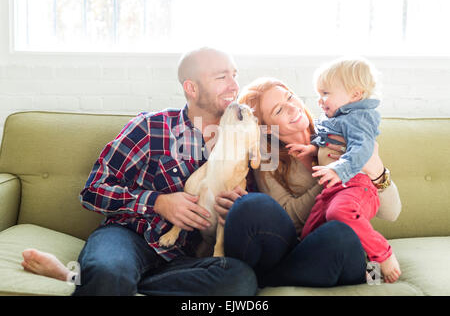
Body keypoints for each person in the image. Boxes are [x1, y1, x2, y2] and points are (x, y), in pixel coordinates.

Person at [22, 47, 258, 296]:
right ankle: (106, 277)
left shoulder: (245, 136)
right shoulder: (150, 127)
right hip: (129, 237)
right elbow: (92, 190)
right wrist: (157, 202)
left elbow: (251, 206)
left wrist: (236, 210)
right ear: (191, 88)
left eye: (235, 75)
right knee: (110, 271)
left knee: (240, 281)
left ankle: (77, 277)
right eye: (222, 77)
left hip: (184, 258)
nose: (234, 86)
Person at [218, 76, 401, 287]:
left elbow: (392, 213)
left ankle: (266, 281)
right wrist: (334, 175)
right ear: (266, 128)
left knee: (340, 233)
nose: (291, 107)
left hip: (345, 248)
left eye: (290, 97)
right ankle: (245, 280)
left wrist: (375, 169)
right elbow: (287, 217)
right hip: (303, 249)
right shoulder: (269, 159)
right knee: (250, 206)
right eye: (278, 110)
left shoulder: (340, 130)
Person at [290, 57, 401, 283]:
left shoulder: (359, 117)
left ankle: (383, 255)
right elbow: (329, 142)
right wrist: (312, 149)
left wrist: (339, 169)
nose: (320, 100)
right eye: (319, 94)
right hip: (334, 189)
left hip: (357, 185)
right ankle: (367, 275)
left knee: (340, 214)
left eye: (326, 93)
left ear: (354, 95)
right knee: (309, 234)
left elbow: (362, 149)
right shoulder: (338, 118)